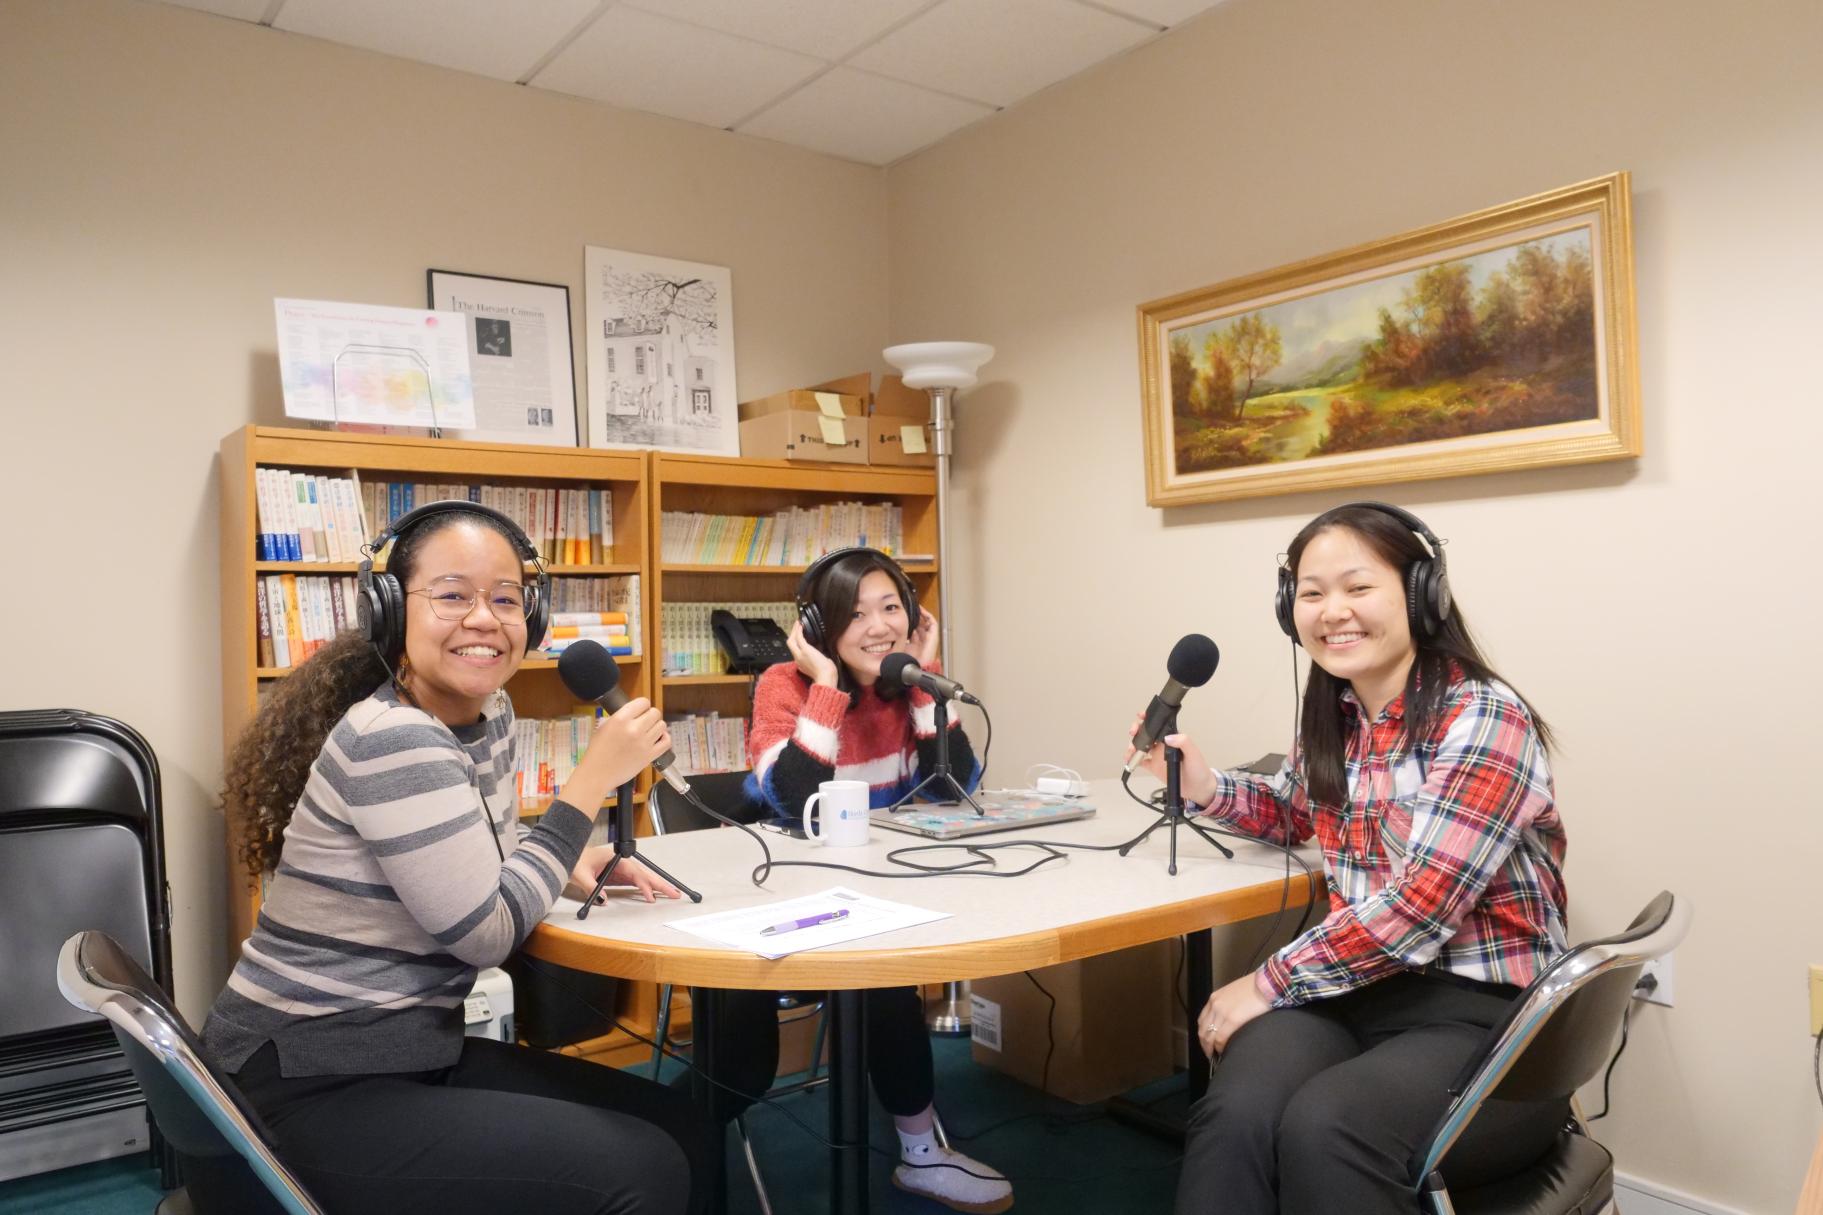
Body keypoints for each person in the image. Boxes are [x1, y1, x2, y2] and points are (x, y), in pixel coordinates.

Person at [201, 502, 715, 1215]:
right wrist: (588, 783)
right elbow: (484, 930)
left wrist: (568, 858)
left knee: (682, 1126)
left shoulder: (487, 713)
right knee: (642, 1167)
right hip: (304, 1077)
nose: (483, 617)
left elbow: (480, 857)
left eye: (505, 598)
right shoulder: (393, 737)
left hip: (399, 1048)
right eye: (451, 595)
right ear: (389, 609)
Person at [1129, 503, 1570, 1215]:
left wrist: (1266, 982)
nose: (1332, 610)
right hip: (1358, 989)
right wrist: (1203, 785)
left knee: (1327, 1126)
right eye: (1310, 592)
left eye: (1357, 586)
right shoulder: (1338, 715)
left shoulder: (1482, 716)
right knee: (1236, 1109)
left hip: (1475, 1008)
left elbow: (1417, 907)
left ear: (1421, 593)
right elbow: (1295, 810)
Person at [699, 547, 1012, 1215]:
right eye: (854, 613)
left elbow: (956, 789)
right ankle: (658, 1145)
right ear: (817, 629)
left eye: (891, 608)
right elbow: (790, 799)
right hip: (775, 913)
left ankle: (921, 1154)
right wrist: (826, 686)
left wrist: (925, 683)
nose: (878, 627)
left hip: (878, 900)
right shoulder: (784, 686)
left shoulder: (911, 684)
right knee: (739, 1070)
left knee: (882, 976)